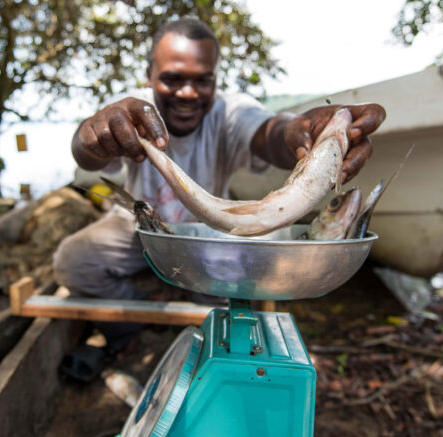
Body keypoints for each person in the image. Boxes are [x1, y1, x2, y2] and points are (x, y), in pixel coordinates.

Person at [53, 17, 385, 364]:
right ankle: (133, 323)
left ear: (215, 78)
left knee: (222, 305)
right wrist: (90, 137)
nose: (187, 92)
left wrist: (300, 133)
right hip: (141, 227)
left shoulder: (230, 111)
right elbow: (86, 155)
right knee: (73, 261)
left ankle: (200, 328)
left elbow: (271, 133)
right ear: (150, 75)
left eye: (202, 80)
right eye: (172, 78)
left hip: (213, 237)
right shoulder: (130, 109)